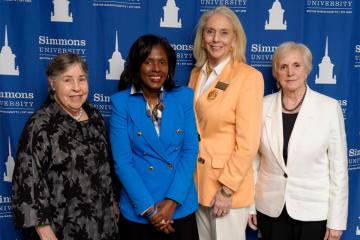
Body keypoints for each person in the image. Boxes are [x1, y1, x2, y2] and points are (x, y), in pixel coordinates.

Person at [248, 42, 348, 240]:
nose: (290, 72)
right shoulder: (262, 106)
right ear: (276, 72)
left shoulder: (328, 108)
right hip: (270, 209)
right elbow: (254, 162)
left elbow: (338, 169)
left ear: (308, 69)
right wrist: (250, 205)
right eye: (283, 67)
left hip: (313, 211)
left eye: (296, 65)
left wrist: (336, 220)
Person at [11, 53, 118, 240]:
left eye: (82, 79)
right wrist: (45, 233)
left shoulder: (95, 117)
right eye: (68, 80)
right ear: (53, 83)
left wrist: (112, 203)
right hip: (61, 230)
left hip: (102, 227)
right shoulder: (41, 123)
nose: (77, 88)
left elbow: (104, 168)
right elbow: (28, 181)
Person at [110, 34, 199, 240]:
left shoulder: (183, 97)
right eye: (148, 62)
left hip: (179, 208)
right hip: (140, 211)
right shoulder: (121, 103)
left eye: (162, 62)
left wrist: (172, 202)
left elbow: (189, 151)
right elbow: (123, 163)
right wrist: (150, 211)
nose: (156, 68)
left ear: (170, 67)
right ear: (136, 66)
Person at [188, 6, 264, 240]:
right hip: (197, 185)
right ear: (203, 38)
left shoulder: (248, 77)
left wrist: (227, 188)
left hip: (225, 188)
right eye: (210, 32)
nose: (215, 39)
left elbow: (248, 142)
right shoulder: (196, 74)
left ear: (234, 38)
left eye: (223, 33)